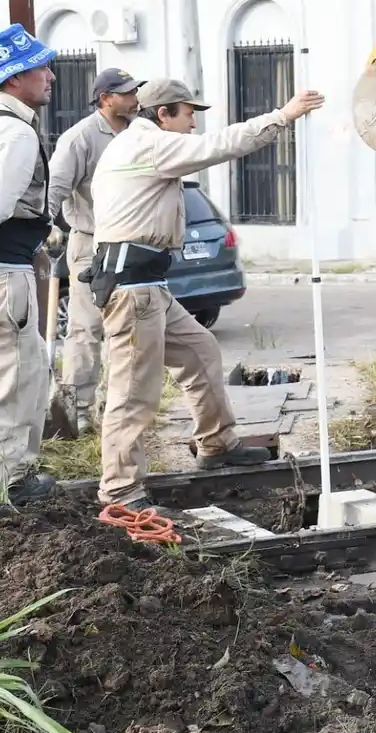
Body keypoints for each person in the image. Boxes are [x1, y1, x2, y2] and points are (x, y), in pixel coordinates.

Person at [89, 78, 324, 511]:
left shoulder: (142, 143)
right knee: (133, 392)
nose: (194, 123)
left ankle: (217, 443)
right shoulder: (150, 144)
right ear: (163, 114)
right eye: (188, 113)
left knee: (200, 351)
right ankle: (120, 491)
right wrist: (283, 116)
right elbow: (221, 145)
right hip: (133, 289)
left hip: (148, 285)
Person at [44, 67, 142, 434]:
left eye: (135, 91)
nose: (135, 98)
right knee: (86, 330)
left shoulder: (139, 132)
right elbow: (54, 188)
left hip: (131, 245)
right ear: (105, 99)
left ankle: (115, 407)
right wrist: (44, 228)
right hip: (91, 244)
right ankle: (78, 413)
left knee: (127, 331)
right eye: (127, 93)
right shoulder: (80, 138)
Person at [0, 23, 59, 504]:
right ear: (15, 77)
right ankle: (12, 482)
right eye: (41, 67)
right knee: (18, 375)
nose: (51, 76)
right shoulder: (16, 132)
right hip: (7, 270)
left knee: (29, 364)